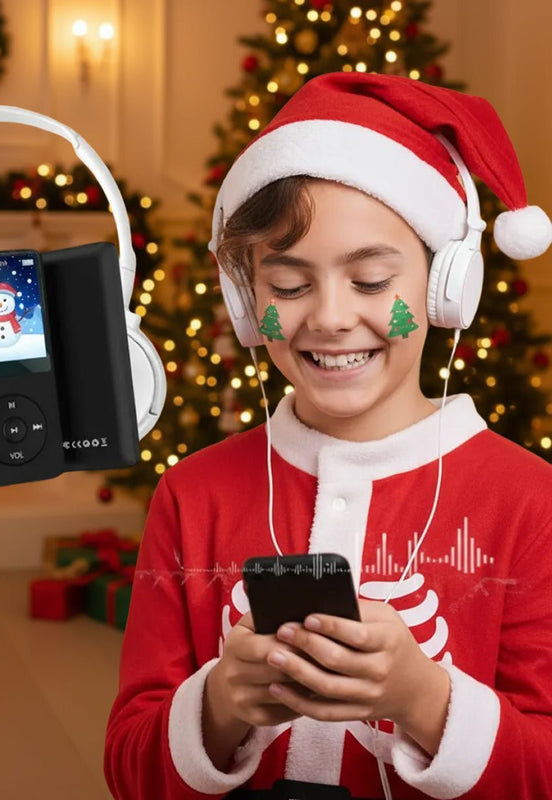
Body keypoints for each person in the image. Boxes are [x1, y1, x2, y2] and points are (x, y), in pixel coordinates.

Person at [104, 72, 552, 799]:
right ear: (249, 305)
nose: (331, 317)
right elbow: (130, 769)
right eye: (288, 286)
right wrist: (217, 705)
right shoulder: (191, 495)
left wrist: (423, 701)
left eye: (372, 280)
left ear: (446, 287)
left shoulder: (532, 501)